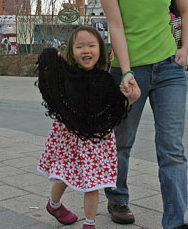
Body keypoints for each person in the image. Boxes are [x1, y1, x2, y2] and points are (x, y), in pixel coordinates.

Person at [96, 0, 188, 229]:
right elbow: (116, 27)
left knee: (172, 150)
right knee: (122, 142)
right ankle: (118, 199)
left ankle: (176, 222)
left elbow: (184, 11)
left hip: (169, 71)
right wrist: (125, 71)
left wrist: (184, 49)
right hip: (129, 71)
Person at [36, 26, 140, 229]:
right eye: (80, 46)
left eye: (92, 45)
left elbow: (115, 109)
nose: (86, 50)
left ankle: (89, 224)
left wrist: (131, 100)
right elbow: (52, 89)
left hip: (95, 141)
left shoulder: (106, 80)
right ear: (72, 51)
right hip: (69, 137)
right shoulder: (68, 76)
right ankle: (54, 205)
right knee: (65, 174)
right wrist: (50, 59)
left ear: (100, 49)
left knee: (93, 183)